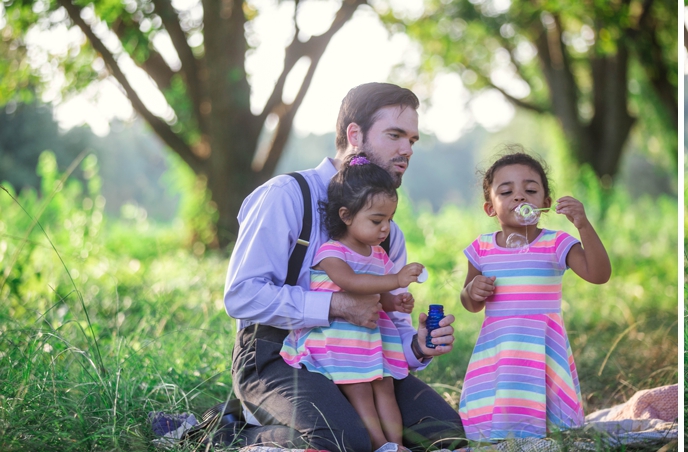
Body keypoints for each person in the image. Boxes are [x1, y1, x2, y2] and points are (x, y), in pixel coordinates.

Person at [222, 82, 461, 452]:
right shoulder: (286, 196)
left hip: (365, 358)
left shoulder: (386, 231)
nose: (406, 150)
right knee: (345, 441)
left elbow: (390, 327)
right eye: (394, 135)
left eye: (412, 139)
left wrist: (419, 346)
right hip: (279, 355)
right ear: (355, 134)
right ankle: (228, 432)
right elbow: (241, 295)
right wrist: (334, 306)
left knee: (444, 433)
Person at [457, 151, 612, 440]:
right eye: (506, 191)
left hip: (542, 348)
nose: (519, 197)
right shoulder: (481, 248)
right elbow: (470, 303)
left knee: (550, 427)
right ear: (490, 208)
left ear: (546, 204)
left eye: (530, 190)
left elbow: (599, 274)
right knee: (497, 420)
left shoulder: (556, 243)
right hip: (499, 351)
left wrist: (583, 224)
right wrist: (472, 290)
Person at [277, 156, 426, 447]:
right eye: (376, 220)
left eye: (389, 220)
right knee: (360, 392)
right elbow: (352, 284)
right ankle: (376, 442)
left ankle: (394, 444)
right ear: (346, 215)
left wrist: (395, 303)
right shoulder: (332, 253)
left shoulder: (378, 255)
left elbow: (377, 295)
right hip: (340, 340)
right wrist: (396, 280)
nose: (385, 229)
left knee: (385, 389)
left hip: (371, 337)